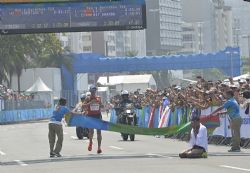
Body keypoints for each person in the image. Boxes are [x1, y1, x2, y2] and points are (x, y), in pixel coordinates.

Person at [84, 85, 103, 154]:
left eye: (94, 91)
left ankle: (99, 147)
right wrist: (90, 103)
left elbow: (102, 106)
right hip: (90, 116)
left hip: (98, 116)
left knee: (99, 132)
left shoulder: (98, 98)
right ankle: (90, 142)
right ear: (90, 91)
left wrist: (100, 103)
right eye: (92, 91)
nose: (93, 92)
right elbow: (83, 106)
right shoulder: (87, 98)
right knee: (91, 132)